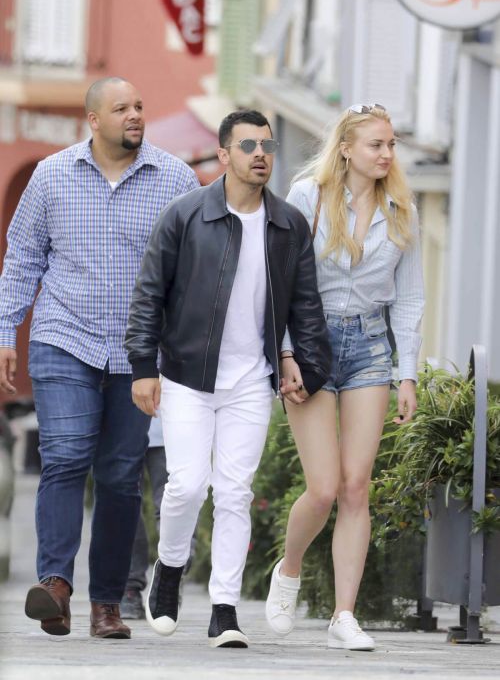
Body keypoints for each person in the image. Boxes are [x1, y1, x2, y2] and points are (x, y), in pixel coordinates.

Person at [0, 77, 199, 639]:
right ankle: (56, 584)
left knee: (117, 476)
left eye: (139, 106)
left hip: (139, 354)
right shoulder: (51, 176)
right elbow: (21, 263)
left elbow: (190, 273)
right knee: (64, 456)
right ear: (92, 120)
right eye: (121, 108)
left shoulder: (175, 180)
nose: (135, 115)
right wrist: (4, 333)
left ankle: (108, 601)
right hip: (64, 338)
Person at [125, 109, 331, 648]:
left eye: (267, 144)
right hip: (188, 376)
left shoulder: (288, 224)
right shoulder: (185, 215)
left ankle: (224, 608)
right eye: (248, 145)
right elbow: (149, 295)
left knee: (234, 492)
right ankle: (168, 570)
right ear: (223, 155)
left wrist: (306, 367)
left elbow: (305, 304)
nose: (260, 153)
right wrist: (144, 368)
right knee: (186, 486)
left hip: (250, 379)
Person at [265, 103, 425, 651]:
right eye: (377, 144)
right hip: (311, 343)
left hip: (371, 348)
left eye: (392, 144)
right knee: (324, 487)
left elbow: (411, 299)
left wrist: (407, 375)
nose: (386, 154)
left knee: (357, 487)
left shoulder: (403, 207)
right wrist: (285, 354)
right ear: (347, 148)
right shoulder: (306, 196)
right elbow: (278, 282)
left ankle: (344, 615)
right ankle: (288, 570)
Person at [119, 415, 197, 620]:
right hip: (122, 421)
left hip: (172, 420)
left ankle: (173, 571)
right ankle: (129, 586)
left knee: (174, 500)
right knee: (123, 502)